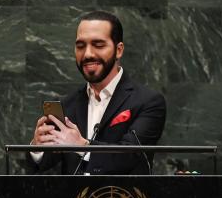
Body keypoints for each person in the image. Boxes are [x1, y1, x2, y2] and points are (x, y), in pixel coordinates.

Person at [29, 10, 166, 175]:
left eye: (98, 45)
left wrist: (81, 146)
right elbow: (43, 163)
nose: (87, 54)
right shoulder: (67, 104)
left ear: (119, 50)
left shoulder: (148, 102)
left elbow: (130, 154)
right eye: (80, 46)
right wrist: (37, 147)